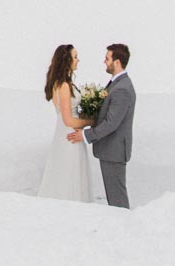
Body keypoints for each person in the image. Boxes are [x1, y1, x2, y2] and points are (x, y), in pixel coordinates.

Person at [67, 44, 134, 208]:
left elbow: (111, 123)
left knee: (117, 201)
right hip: (110, 150)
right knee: (114, 199)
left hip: (114, 151)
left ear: (117, 62)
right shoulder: (116, 84)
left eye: (107, 58)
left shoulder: (122, 88)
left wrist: (85, 135)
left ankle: (124, 230)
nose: (104, 62)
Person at [36, 44, 95, 203]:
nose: (78, 60)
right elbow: (68, 119)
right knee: (70, 175)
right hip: (70, 136)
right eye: (75, 57)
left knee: (68, 174)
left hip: (67, 134)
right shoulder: (63, 86)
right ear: (66, 60)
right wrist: (92, 121)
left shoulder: (64, 84)